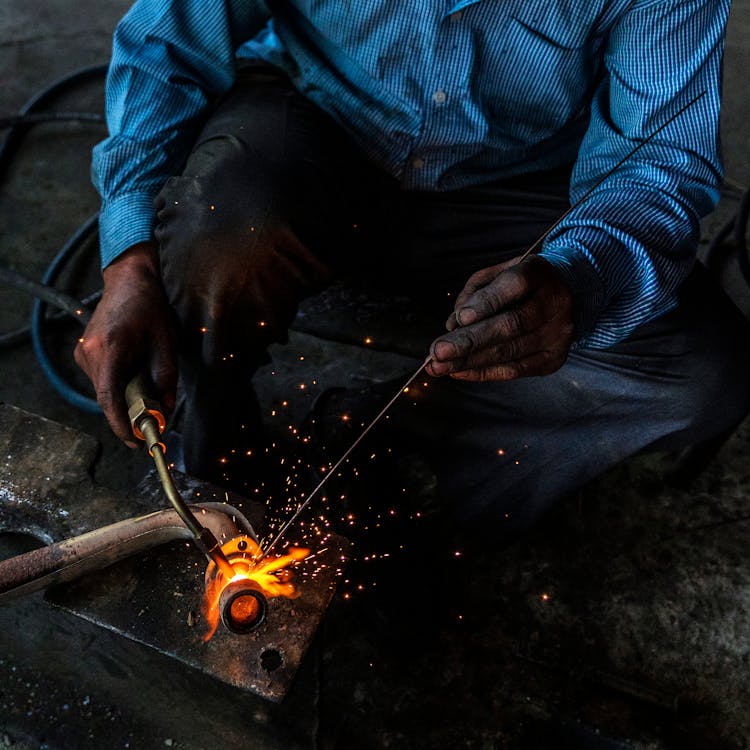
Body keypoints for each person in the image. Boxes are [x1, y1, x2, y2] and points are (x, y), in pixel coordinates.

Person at [75, 0, 750, 543]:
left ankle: (361, 450)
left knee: (701, 379)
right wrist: (130, 262)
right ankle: (213, 444)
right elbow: (164, 46)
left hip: (510, 189)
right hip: (311, 131)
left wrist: (577, 279)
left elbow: (659, 154)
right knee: (224, 220)